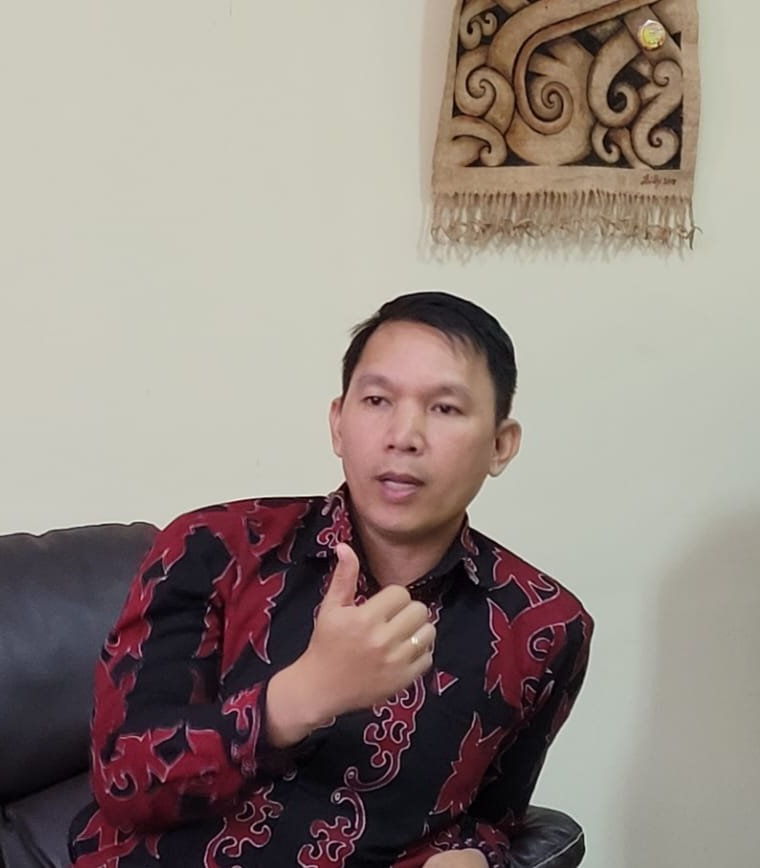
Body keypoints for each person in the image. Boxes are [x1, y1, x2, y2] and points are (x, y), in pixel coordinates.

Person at [67, 291, 593, 868]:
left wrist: (476, 856)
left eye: (444, 408)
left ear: (500, 444)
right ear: (338, 424)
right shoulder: (212, 548)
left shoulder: (543, 624)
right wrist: (301, 697)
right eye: (377, 400)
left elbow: (493, 816)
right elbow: (124, 778)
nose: (404, 435)